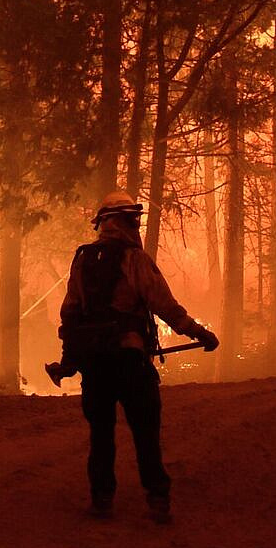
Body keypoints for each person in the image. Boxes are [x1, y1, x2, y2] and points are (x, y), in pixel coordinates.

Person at [56, 191, 218, 523]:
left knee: (101, 434)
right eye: (133, 219)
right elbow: (164, 305)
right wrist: (199, 333)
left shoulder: (83, 259)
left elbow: (70, 314)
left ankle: (101, 500)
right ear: (125, 221)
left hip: (95, 363)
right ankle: (157, 498)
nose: (136, 225)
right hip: (130, 359)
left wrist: (69, 359)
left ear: (102, 224)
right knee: (145, 430)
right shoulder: (135, 259)